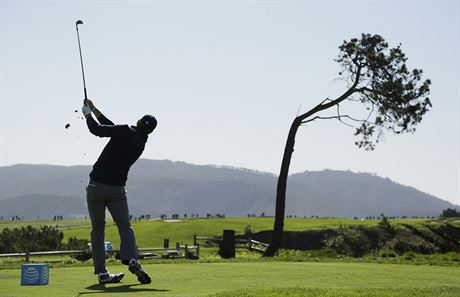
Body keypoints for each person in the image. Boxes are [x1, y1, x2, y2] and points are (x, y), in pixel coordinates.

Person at [82, 99, 157, 284]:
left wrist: (87, 115)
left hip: (96, 187)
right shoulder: (140, 142)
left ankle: (102, 273)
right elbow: (111, 127)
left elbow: (99, 130)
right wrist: (94, 109)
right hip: (117, 190)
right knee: (125, 227)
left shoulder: (124, 131)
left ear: (138, 121)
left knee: (98, 230)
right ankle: (131, 258)